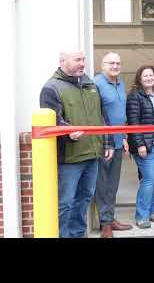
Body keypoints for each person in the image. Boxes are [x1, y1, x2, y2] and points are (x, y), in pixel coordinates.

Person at [39, 51, 114, 238]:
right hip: (69, 158)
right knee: (65, 203)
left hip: (92, 154)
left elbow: (101, 117)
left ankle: (78, 234)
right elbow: (53, 119)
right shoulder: (51, 88)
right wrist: (67, 131)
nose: (83, 64)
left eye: (83, 60)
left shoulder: (91, 85)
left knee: (85, 199)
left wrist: (108, 143)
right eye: (78, 60)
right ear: (62, 61)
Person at [94, 52, 133, 238]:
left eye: (118, 63)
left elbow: (121, 114)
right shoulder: (97, 84)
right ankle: (105, 224)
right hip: (104, 144)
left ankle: (110, 218)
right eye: (111, 63)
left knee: (113, 185)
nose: (115, 66)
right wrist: (107, 143)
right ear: (103, 65)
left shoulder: (120, 83)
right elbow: (98, 116)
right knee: (102, 185)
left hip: (118, 142)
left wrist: (124, 137)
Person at [126, 66, 154, 229]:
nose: (149, 78)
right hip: (146, 146)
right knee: (149, 179)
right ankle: (141, 215)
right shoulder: (135, 96)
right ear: (139, 78)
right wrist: (140, 145)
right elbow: (134, 123)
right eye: (146, 76)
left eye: (151, 75)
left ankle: (153, 211)